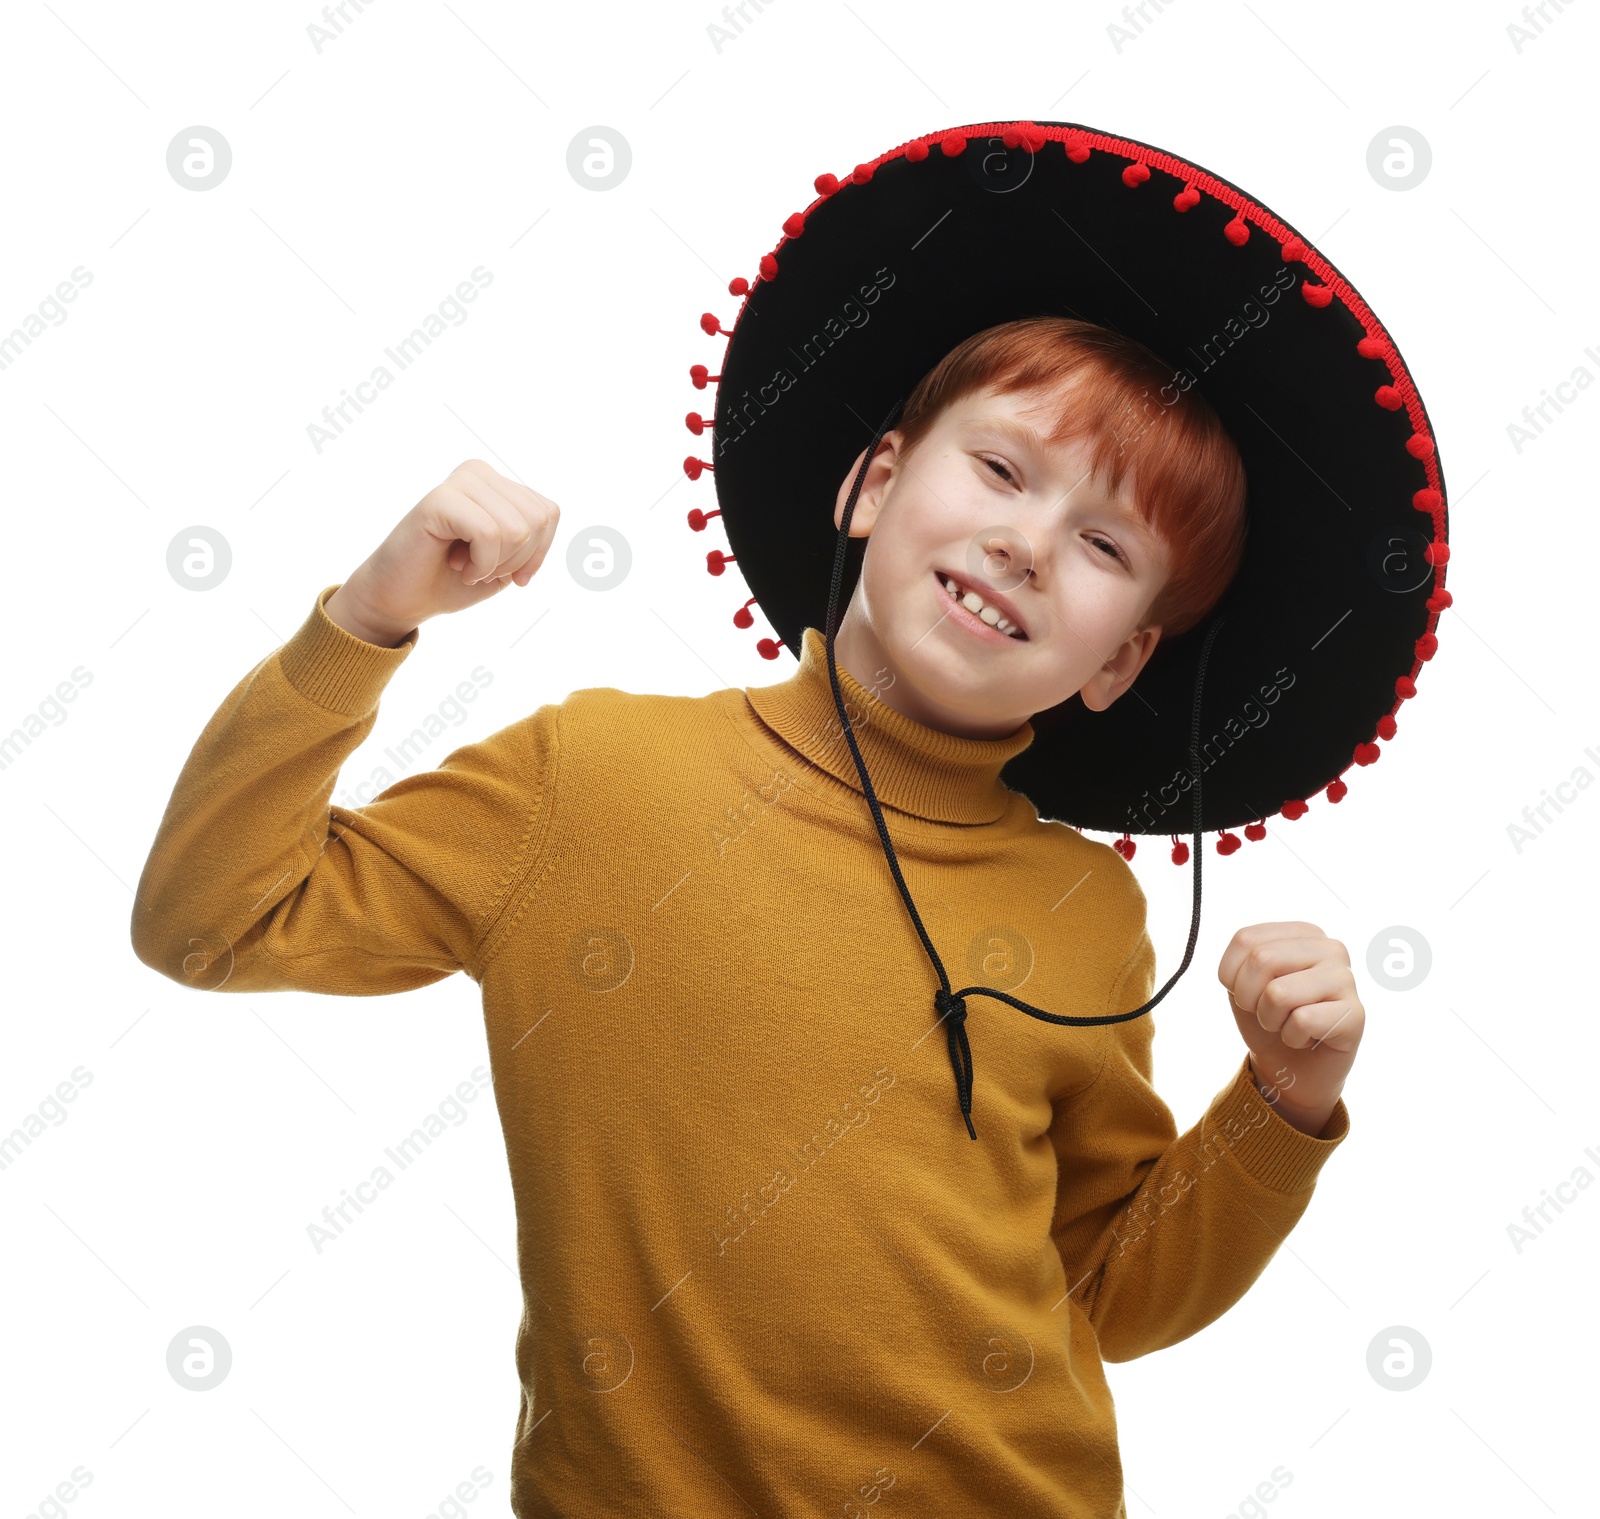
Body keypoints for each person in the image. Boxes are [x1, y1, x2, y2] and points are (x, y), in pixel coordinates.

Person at [133, 119, 1451, 1518]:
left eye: (1107, 545)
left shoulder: (1088, 912)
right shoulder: (593, 778)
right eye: (1002, 472)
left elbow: (1106, 1292)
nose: (1026, 541)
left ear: (1123, 660)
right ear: (874, 483)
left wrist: (1282, 1100)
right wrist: (369, 620)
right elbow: (214, 921)